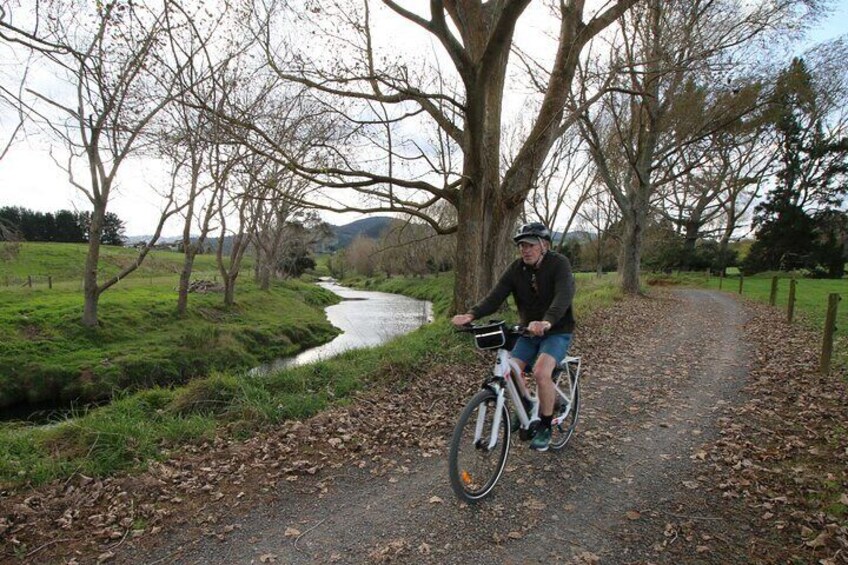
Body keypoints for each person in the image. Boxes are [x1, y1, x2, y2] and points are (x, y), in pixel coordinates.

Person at [451, 222, 575, 451]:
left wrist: (547, 320)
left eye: (530, 245)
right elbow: (496, 295)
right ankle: (528, 404)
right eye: (521, 246)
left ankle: (545, 426)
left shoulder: (559, 264)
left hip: (556, 330)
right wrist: (472, 314)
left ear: (544, 245)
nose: (525, 250)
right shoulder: (517, 269)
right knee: (511, 368)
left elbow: (564, 295)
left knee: (540, 372)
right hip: (528, 331)